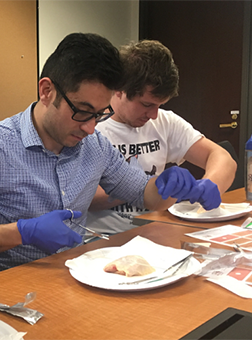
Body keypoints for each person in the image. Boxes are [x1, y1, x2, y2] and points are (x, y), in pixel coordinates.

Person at [0, 32, 219, 277]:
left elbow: (146, 195)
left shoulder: (95, 147)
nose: (91, 127)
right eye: (82, 111)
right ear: (47, 91)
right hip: (9, 288)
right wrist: (22, 232)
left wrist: (167, 184)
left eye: (99, 114)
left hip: (77, 276)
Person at [88, 40, 237, 235]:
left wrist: (210, 184)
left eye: (160, 105)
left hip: (154, 232)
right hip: (103, 239)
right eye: (147, 104)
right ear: (119, 89)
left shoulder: (165, 122)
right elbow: (85, 196)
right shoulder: (91, 126)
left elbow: (222, 157)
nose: (154, 115)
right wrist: (151, 187)